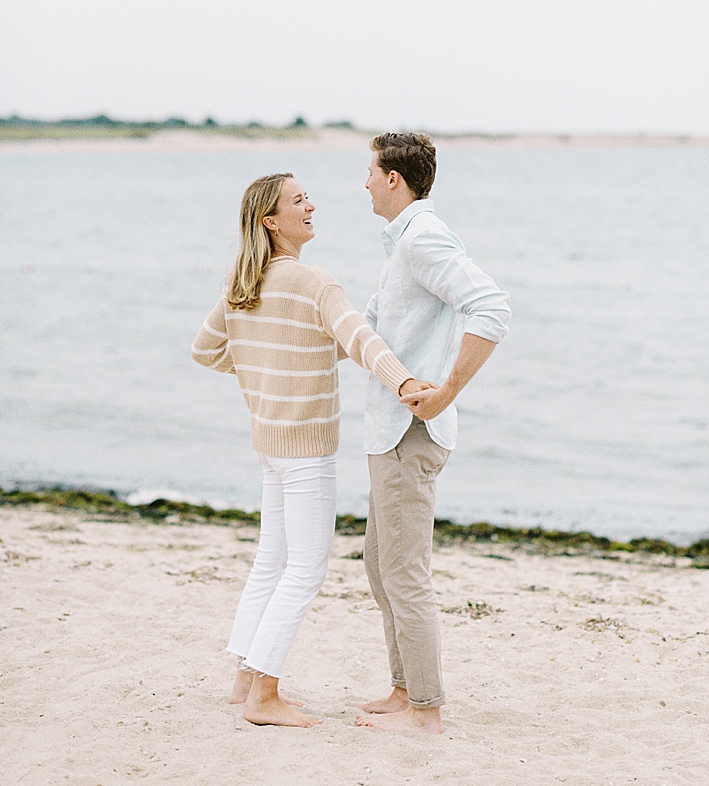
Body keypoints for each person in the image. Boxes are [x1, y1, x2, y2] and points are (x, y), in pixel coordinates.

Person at [192, 172, 431, 728]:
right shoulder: (312, 281)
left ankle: (244, 682)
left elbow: (206, 350)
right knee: (304, 569)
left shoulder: (242, 283)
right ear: (271, 221)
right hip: (304, 450)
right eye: (299, 201)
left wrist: (262, 367)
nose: (311, 205)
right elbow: (362, 340)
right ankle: (264, 696)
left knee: (270, 562)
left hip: (270, 448)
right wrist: (404, 383)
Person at [354, 132, 510, 735]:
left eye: (369, 170)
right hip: (387, 431)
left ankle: (426, 712)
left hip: (409, 433)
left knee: (405, 573)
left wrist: (447, 390)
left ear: (394, 178)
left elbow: (492, 306)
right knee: (379, 566)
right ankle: (402, 691)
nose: (364, 181)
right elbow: (367, 330)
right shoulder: (402, 245)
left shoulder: (422, 239)